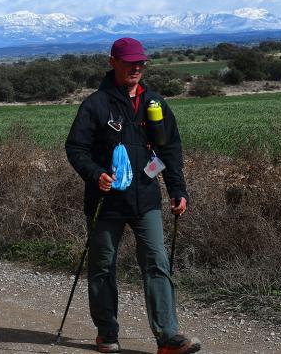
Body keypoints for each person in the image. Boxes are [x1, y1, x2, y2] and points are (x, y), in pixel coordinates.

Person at [65, 37, 201, 354]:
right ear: (113, 62)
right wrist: (95, 173)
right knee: (102, 267)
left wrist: (177, 189)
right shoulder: (95, 105)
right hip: (106, 201)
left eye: (140, 62)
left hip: (146, 199)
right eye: (129, 62)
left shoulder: (154, 103)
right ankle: (107, 332)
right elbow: (76, 148)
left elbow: (170, 149)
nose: (136, 67)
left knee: (157, 262)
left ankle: (168, 337)